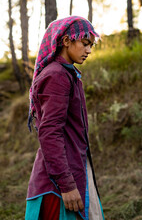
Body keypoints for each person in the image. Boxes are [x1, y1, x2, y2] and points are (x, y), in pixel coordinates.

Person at [25, 16, 104, 220]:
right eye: (85, 44)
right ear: (67, 41)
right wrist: (67, 185)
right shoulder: (57, 76)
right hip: (59, 180)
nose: (88, 50)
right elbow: (50, 133)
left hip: (74, 164)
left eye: (91, 45)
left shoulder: (68, 73)